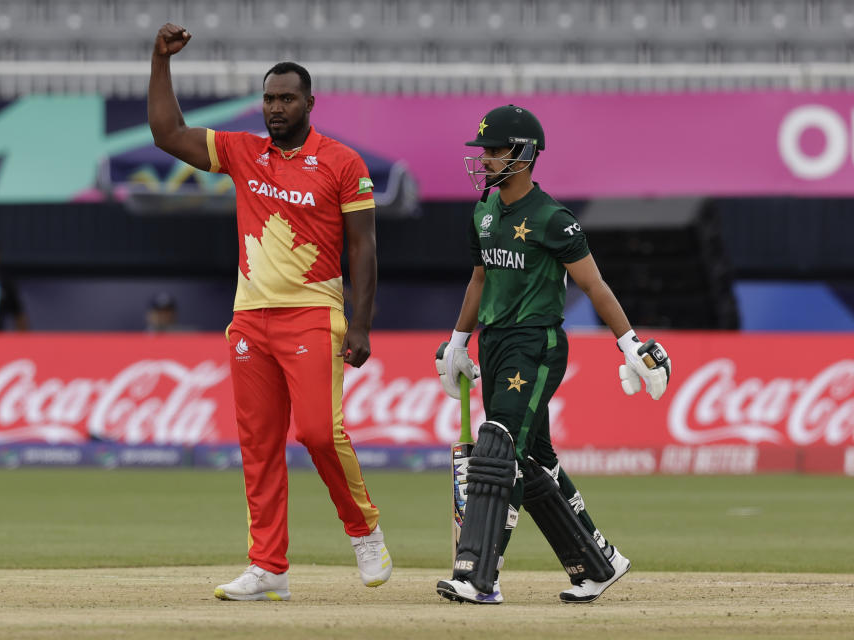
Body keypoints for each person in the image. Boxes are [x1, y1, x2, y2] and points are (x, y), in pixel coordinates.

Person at [148, 23, 390, 601]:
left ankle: (363, 529)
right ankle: (268, 567)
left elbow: (363, 246)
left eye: (286, 99)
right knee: (258, 444)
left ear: (310, 103)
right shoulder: (242, 151)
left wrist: (360, 322)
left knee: (315, 431)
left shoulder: (341, 161)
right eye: (268, 98)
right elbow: (168, 133)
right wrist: (160, 60)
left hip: (312, 312)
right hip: (250, 317)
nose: (275, 108)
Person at [434, 105, 671, 605]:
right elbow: (480, 279)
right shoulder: (482, 212)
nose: (486, 160)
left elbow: (594, 284)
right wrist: (458, 340)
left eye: (495, 151)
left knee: (498, 445)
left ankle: (479, 574)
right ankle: (597, 563)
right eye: (484, 151)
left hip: (536, 344)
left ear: (523, 153)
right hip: (496, 343)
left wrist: (630, 344)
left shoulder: (552, 218)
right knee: (535, 461)